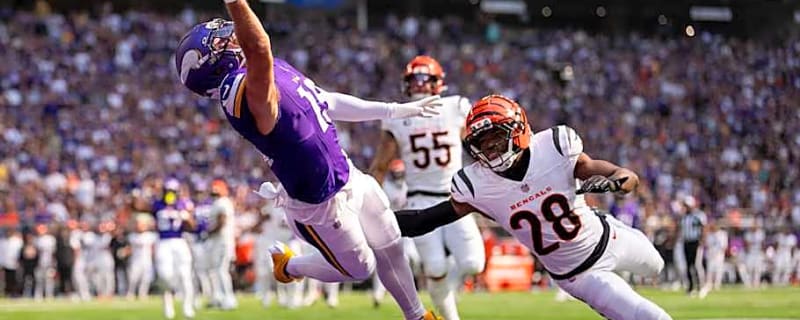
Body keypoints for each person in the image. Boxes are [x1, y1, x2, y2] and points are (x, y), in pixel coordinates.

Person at [175, 2, 443, 318]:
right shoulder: (239, 91)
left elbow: (324, 100)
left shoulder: (268, 69)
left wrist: (390, 110)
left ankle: (417, 315)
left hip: (346, 172)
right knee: (361, 268)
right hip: (319, 203)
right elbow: (259, 45)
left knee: (391, 241)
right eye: (222, 42)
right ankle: (289, 265)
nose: (232, 37)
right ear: (213, 64)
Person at [394, 95, 671, 320]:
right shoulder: (477, 184)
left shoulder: (554, 146)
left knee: (657, 267)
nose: (491, 150)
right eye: (483, 145)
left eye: (497, 139)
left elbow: (626, 177)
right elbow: (425, 219)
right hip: (580, 275)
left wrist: (615, 183)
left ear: (518, 130)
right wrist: (375, 221)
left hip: (610, 236)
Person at [370, 56, 485, 320]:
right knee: (434, 267)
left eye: (425, 80)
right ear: (407, 84)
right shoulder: (397, 116)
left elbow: (476, 144)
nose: (420, 85)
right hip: (420, 201)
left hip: (457, 196)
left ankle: (446, 290)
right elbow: (381, 164)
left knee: (474, 263)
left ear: (438, 83)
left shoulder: (455, 106)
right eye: (415, 80)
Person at [153, 179, 196, 319]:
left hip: (179, 241)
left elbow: (193, 226)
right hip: (163, 242)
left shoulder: (183, 204)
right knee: (165, 276)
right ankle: (168, 306)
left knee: (185, 276)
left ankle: (187, 307)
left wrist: (186, 217)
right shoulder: (157, 205)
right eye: (168, 191)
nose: (170, 194)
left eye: (172, 191)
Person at [205, 179, 238, 310]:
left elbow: (221, 222)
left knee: (221, 270)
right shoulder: (216, 203)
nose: (214, 192)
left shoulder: (224, 202)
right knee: (216, 270)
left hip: (223, 240)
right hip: (218, 241)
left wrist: (207, 232)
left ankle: (229, 299)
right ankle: (218, 297)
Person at [677, 196, 705, 296]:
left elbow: (702, 229)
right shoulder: (684, 217)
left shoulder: (697, 216)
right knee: (688, 265)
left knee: (696, 264)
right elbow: (680, 229)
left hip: (695, 242)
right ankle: (691, 287)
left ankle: (700, 286)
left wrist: (702, 241)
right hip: (687, 242)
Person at [127, 216, 157, 300]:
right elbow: (129, 249)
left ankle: (143, 293)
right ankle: (131, 292)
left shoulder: (150, 236)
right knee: (133, 278)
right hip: (135, 260)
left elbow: (153, 248)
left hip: (147, 260)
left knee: (146, 278)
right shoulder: (132, 236)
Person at [699, 220, 727, 298]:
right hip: (710, 255)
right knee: (710, 271)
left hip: (719, 255)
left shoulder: (722, 234)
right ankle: (709, 284)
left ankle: (717, 285)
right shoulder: (709, 235)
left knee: (718, 271)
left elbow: (724, 246)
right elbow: (706, 245)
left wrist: (719, 254)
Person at [33, 224, 57, 300]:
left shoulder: (50, 239)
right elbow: (36, 252)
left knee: (49, 279)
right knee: (39, 279)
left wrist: (53, 262)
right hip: (39, 262)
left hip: (49, 262)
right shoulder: (36, 239)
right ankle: (38, 295)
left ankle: (49, 295)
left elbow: (53, 252)